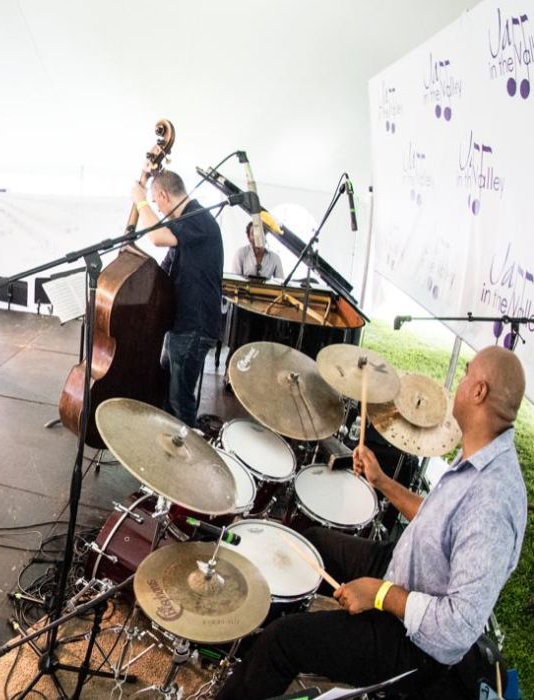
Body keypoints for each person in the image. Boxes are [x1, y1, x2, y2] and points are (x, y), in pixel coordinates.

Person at [216, 346, 528, 699]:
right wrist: (381, 481)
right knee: (312, 542)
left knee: (283, 642)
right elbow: (439, 520)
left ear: (479, 391)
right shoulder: (480, 458)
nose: (460, 381)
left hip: (414, 643)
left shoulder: (493, 499)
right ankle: (248, 648)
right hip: (403, 568)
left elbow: (454, 629)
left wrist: (378, 594)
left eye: (467, 373)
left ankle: (268, 655)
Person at [129, 169, 223, 427]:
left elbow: (158, 237)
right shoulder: (187, 227)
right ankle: (168, 454)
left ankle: (186, 459)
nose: (158, 210)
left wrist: (140, 201)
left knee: (180, 401)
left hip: (194, 326)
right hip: (182, 325)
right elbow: (163, 270)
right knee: (167, 394)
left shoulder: (197, 217)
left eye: (156, 203)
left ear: (161, 194)